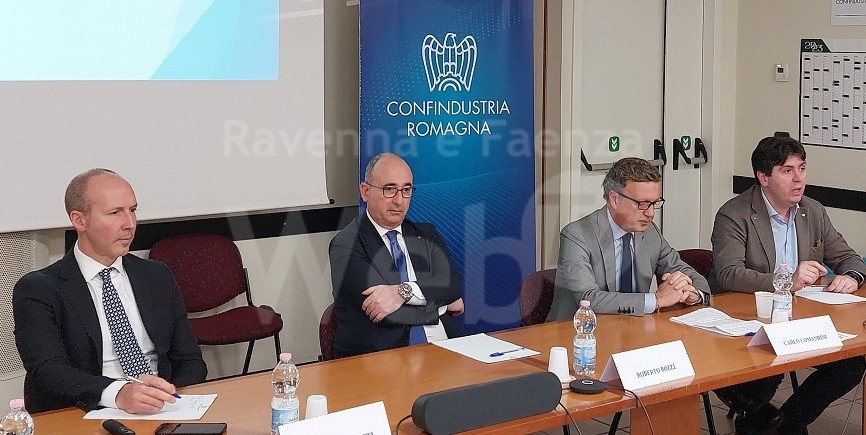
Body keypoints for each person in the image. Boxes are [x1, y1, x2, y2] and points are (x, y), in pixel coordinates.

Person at [13, 169, 206, 414]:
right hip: (86, 409)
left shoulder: (156, 275)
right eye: (115, 213)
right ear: (79, 220)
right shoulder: (38, 289)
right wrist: (118, 394)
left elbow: (190, 359)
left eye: (132, 210)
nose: (130, 224)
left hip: (162, 408)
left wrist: (170, 399)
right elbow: (49, 371)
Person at [708, 136, 866, 434]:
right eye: (787, 171)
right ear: (763, 177)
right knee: (767, 372)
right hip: (747, 318)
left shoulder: (812, 210)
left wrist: (851, 276)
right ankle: (756, 414)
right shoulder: (735, 214)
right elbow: (729, 274)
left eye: (802, 168)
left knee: (850, 364)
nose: (799, 179)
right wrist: (786, 281)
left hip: (801, 317)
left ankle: (786, 424)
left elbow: (848, 257)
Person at [329, 153, 464, 357]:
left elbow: (453, 285)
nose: (399, 201)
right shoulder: (345, 244)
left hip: (446, 347)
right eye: (389, 189)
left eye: (406, 190)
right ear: (365, 192)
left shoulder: (426, 234)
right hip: (383, 356)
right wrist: (442, 304)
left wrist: (401, 292)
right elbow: (382, 311)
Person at [547, 157, 710, 320]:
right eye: (642, 204)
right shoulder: (577, 235)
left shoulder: (649, 232)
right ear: (614, 199)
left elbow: (687, 273)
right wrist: (657, 300)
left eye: (654, 203)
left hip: (633, 327)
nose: (650, 213)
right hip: (579, 329)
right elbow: (588, 299)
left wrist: (693, 293)